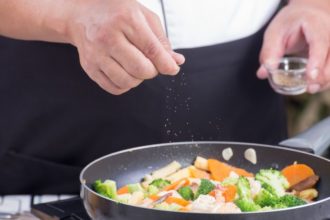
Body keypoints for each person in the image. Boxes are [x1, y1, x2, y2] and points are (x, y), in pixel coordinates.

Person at [0, 0, 329, 194]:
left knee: (261, 188)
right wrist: (71, 13)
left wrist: (314, 7)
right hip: (57, 105)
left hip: (245, 87)